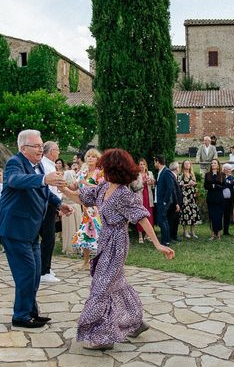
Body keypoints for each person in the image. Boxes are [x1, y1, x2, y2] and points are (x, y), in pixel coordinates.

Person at [61, 148, 174, 350]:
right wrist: (63, 189)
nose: (101, 168)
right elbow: (83, 197)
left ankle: (103, 337)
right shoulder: (103, 187)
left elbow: (142, 217)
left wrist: (157, 244)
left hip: (117, 244)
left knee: (101, 287)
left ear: (114, 168)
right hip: (104, 240)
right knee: (117, 284)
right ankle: (136, 323)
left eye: (105, 165)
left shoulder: (124, 194)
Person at [0, 130, 71, 328]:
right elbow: (15, 181)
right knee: (26, 273)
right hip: (15, 230)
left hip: (31, 230)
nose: (40, 149)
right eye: (36, 146)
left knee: (35, 273)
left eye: (41, 145)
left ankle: (31, 312)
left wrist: (58, 204)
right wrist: (45, 179)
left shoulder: (37, 166)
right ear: (23, 148)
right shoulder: (14, 163)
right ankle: (20, 316)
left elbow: (43, 191)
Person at [72, 148, 104, 270]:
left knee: (98, 234)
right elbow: (75, 186)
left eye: (93, 156)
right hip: (84, 208)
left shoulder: (100, 173)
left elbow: (101, 188)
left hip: (96, 208)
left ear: (97, 159)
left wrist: (85, 183)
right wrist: (63, 184)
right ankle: (86, 262)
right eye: (88, 156)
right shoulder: (82, 172)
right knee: (85, 234)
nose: (90, 158)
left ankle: (100, 263)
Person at [38, 141, 62, 283]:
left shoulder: (49, 165)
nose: (58, 153)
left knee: (48, 236)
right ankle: (44, 271)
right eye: (57, 150)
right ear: (52, 151)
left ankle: (45, 265)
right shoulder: (46, 166)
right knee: (48, 237)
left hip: (51, 203)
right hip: (47, 204)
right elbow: (49, 188)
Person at [130, 158, 155, 244]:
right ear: (138, 165)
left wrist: (152, 182)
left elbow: (153, 185)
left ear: (146, 165)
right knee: (140, 216)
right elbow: (134, 187)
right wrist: (143, 182)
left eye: (143, 164)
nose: (142, 166)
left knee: (149, 216)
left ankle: (147, 235)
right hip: (140, 197)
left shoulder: (150, 173)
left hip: (148, 197)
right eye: (140, 164)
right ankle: (140, 236)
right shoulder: (135, 174)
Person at [153, 155, 176, 246]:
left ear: (158, 161)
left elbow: (170, 188)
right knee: (162, 220)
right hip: (158, 200)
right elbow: (162, 185)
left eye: (155, 162)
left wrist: (165, 201)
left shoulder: (166, 172)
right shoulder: (160, 172)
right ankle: (165, 240)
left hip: (163, 201)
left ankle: (165, 241)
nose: (154, 164)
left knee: (162, 220)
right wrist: (155, 182)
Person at [178, 160, 201, 239]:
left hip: (192, 196)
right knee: (185, 213)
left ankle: (193, 232)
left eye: (188, 163)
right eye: (185, 163)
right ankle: (185, 231)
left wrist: (195, 187)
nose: (187, 165)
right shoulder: (181, 174)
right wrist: (189, 184)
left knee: (193, 213)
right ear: (183, 165)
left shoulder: (192, 174)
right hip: (185, 196)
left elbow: (194, 184)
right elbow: (179, 185)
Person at [204, 159, 226, 241]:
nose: (213, 164)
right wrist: (212, 186)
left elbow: (224, 185)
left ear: (218, 165)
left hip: (219, 198)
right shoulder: (207, 174)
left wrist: (216, 186)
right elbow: (205, 186)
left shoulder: (222, 174)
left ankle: (219, 234)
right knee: (212, 216)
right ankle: (213, 234)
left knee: (219, 216)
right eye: (212, 163)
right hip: (211, 198)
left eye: (215, 163)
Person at [168, 161, 183, 242]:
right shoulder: (171, 177)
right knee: (172, 220)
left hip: (177, 202)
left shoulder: (175, 176)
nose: (179, 168)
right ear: (176, 168)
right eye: (178, 167)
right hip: (174, 203)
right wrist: (176, 203)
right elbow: (173, 191)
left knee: (176, 220)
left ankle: (174, 235)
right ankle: (170, 237)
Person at [222, 163, 234, 236]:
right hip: (221, 199)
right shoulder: (221, 176)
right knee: (220, 215)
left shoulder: (232, 177)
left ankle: (226, 231)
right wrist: (229, 183)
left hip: (229, 200)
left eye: (230, 169)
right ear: (224, 169)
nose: (230, 171)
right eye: (229, 169)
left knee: (227, 215)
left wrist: (228, 183)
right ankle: (217, 231)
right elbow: (223, 184)